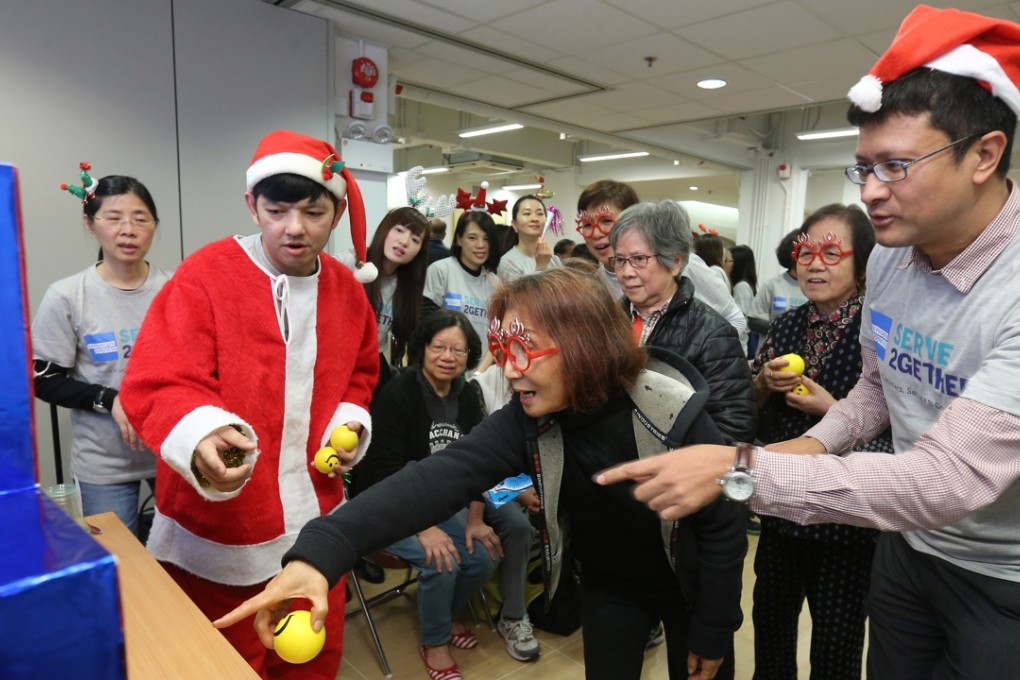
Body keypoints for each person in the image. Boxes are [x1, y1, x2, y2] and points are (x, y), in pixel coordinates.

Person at [597, 7, 1020, 677]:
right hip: (909, 550)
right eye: (864, 169)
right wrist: (789, 448)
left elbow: (945, 478)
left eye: (898, 166)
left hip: (1003, 574)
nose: (873, 194)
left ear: (985, 155)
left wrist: (741, 471)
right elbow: (877, 391)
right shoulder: (891, 259)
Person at [215, 267, 748, 680]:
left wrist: (715, 630)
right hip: (609, 588)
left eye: (524, 348)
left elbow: (724, 530)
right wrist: (322, 550)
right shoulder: (527, 416)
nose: (509, 367)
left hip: (690, 589)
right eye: (501, 349)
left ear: (585, 344)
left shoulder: (669, 412)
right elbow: (439, 477)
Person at [120, 130, 379, 679]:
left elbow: (361, 373)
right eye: (277, 209)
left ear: (335, 214)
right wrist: (200, 434)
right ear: (251, 205)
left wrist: (348, 421)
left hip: (316, 523)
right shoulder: (206, 275)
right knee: (216, 664)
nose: (294, 228)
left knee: (312, 659)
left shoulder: (346, 289)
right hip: (221, 526)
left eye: (313, 212)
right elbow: (158, 379)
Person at [750, 203, 892, 680]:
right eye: (805, 251)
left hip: (845, 522)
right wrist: (764, 384)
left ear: (863, 261)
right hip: (780, 509)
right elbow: (751, 400)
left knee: (836, 648)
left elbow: (897, 437)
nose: (813, 263)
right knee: (770, 631)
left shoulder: (878, 331)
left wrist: (832, 410)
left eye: (831, 252)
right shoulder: (788, 324)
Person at [353, 310, 501, 679]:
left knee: (484, 554)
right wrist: (423, 527)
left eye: (459, 350)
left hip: (435, 501)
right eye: (439, 347)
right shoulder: (397, 394)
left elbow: (478, 461)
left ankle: (444, 615)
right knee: (441, 560)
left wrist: (476, 518)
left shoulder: (466, 394)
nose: (448, 357)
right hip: (383, 503)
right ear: (422, 349)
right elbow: (385, 472)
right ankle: (434, 642)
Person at [32, 168, 170, 536]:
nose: (128, 229)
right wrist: (108, 399)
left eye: (141, 219)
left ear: (154, 226)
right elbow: (44, 380)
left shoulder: (175, 290)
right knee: (119, 566)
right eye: (113, 218)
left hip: (173, 454)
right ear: (90, 224)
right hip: (104, 465)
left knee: (187, 562)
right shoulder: (67, 296)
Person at [609, 200, 755, 445]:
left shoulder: (712, 335)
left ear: (675, 262)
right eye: (620, 260)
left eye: (638, 259)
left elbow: (734, 430)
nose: (626, 272)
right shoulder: (608, 320)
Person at [575, 180, 748, 346]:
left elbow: (734, 318)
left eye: (606, 221)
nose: (596, 234)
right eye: (587, 224)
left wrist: (702, 357)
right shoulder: (596, 284)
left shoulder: (682, 264)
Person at [358, 206, 430, 381]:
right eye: (399, 230)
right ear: (384, 229)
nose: (404, 241)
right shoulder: (351, 263)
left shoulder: (407, 286)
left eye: (415, 239)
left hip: (372, 365)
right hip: (335, 359)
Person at [423, 209, 501, 345]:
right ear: (459, 239)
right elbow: (426, 323)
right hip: (447, 360)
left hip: (482, 364)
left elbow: (497, 332)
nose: (480, 245)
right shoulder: (441, 271)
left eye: (486, 239)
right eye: (472, 238)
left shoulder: (495, 283)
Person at [748, 229, 806, 333]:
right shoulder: (772, 285)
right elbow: (754, 321)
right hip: (772, 346)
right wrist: (783, 330)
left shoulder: (816, 288)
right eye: (805, 254)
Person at [497, 194, 560, 282]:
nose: (534, 218)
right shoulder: (508, 263)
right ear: (515, 224)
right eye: (527, 213)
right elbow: (523, 296)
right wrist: (541, 267)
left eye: (540, 214)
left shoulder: (554, 260)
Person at [725, 245, 757, 317]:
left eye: (726, 260)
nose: (724, 264)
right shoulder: (740, 285)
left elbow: (740, 318)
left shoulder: (742, 287)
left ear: (738, 263)